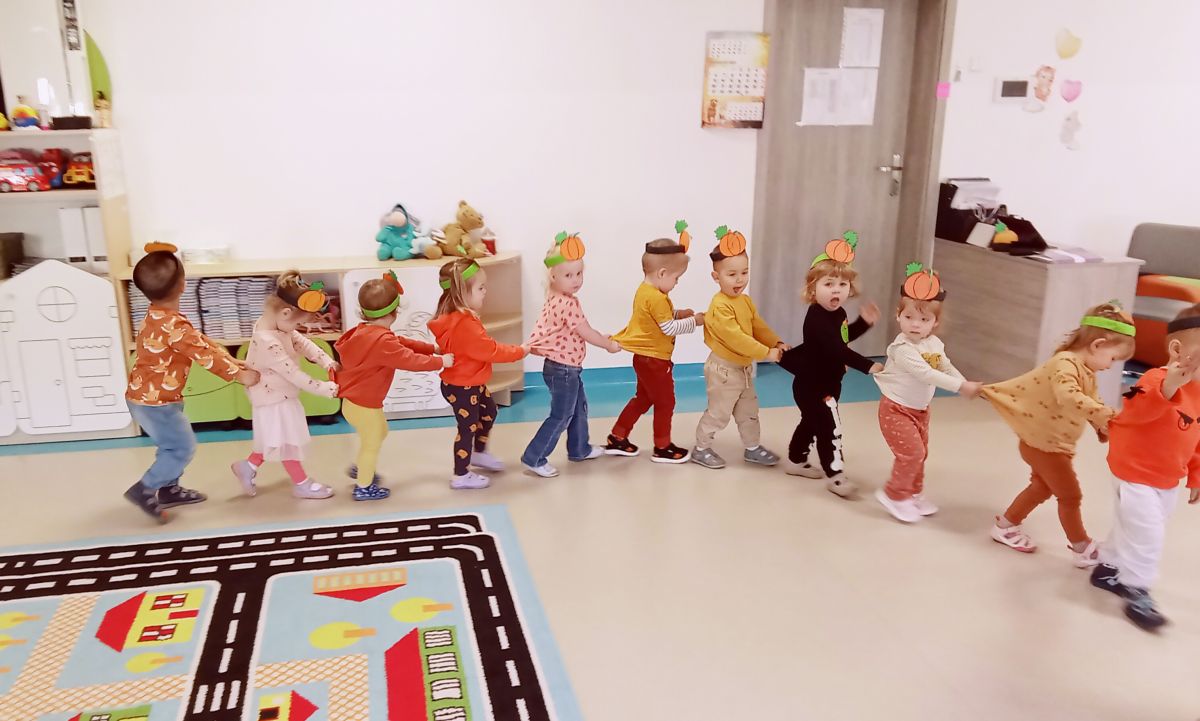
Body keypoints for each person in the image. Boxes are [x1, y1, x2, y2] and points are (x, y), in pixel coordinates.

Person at [982, 301, 1135, 567]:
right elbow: (1068, 395)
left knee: (1041, 488)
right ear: (1097, 345)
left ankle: (1005, 526)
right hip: (1047, 447)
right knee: (1070, 496)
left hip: (1048, 444)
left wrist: (1103, 425)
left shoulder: (1085, 369)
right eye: (1113, 358)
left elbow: (1092, 401)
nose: (1111, 366)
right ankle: (1081, 547)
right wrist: (1104, 414)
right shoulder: (1064, 363)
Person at [124, 243, 259, 521]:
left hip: (147, 397)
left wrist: (233, 361)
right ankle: (146, 488)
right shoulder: (174, 325)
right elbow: (205, 356)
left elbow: (201, 343)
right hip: (157, 402)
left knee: (170, 445)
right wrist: (239, 376)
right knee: (180, 448)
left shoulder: (156, 316)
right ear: (183, 285)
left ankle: (169, 489)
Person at [1091, 303, 1200, 630]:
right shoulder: (1155, 380)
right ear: (1177, 350)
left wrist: (1196, 475)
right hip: (1134, 472)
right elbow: (1137, 413)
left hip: (1167, 478)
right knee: (1148, 532)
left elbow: (1195, 438)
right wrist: (1169, 388)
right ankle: (1138, 589)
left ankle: (1108, 568)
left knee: (1134, 524)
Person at [872, 263, 981, 522]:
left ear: (935, 322)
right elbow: (926, 374)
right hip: (896, 410)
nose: (915, 324)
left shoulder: (934, 344)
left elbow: (945, 366)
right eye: (909, 317)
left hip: (920, 410)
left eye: (924, 320)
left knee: (921, 453)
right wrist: (961, 387)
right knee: (912, 454)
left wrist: (964, 383)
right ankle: (894, 495)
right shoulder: (902, 349)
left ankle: (913, 494)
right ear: (898, 316)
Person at [779, 234, 882, 498]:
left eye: (842, 284)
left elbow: (841, 338)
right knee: (829, 428)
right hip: (812, 386)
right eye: (828, 284)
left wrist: (863, 323)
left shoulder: (838, 313)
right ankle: (836, 476)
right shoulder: (816, 317)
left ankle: (795, 460)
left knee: (811, 422)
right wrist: (868, 366)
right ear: (813, 289)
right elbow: (836, 349)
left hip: (829, 381)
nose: (836, 290)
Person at [335, 271, 451, 500]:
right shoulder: (382, 340)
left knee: (380, 433)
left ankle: (362, 468)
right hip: (364, 406)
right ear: (394, 312)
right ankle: (363, 487)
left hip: (355, 403)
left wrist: (431, 348)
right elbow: (409, 360)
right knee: (372, 444)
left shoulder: (367, 332)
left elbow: (401, 343)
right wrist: (440, 362)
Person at [230, 271, 340, 500]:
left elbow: (302, 342)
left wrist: (326, 360)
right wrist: (325, 388)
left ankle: (248, 466)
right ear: (286, 313)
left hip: (276, 395)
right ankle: (301, 483)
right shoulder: (268, 341)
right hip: (274, 398)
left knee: (273, 437)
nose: (297, 328)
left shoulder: (276, 325)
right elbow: (293, 374)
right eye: (298, 323)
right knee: (288, 442)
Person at [521, 232, 621, 477]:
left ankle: (579, 448)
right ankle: (534, 457)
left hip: (564, 368)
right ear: (552, 276)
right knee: (562, 414)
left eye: (579, 273)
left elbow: (574, 331)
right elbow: (585, 331)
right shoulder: (567, 304)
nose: (576, 280)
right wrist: (607, 344)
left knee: (578, 409)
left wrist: (602, 337)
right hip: (563, 369)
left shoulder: (556, 297)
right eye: (568, 275)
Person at [691, 226, 786, 469]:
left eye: (744, 272)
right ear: (716, 277)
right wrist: (766, 353)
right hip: (723, 371)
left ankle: (752, 448)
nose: (740, 279)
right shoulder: (720, 306)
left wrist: (775, 342)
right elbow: (737, 338)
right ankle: (701, 448)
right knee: (719, 413)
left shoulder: (745, 301)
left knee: (749, 411)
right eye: (732, 274)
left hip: (743, 370)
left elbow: (757, 326)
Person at [429, 258, 528, 489]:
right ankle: (461, 475)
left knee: (489, 411)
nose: (485, 292)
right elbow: (490, 350)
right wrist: (520, 351)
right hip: (462, 386)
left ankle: (479, 453)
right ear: (462, 293)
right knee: (467, 428)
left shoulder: (460, 318)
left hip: (471, 382)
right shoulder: (464, 324)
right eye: (481, 288)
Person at [606, 234, 704, 463]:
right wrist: (695, 321)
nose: (677, 283)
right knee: (666, 402)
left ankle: (618, 436)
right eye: (676, 278)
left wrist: (679, 314)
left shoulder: (645, 291)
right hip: (655, 361)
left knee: (643, 399)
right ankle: (662, 447)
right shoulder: (657, 298)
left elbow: (654, 319)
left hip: (644, 358)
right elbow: (667, 328)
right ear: (662, 273)